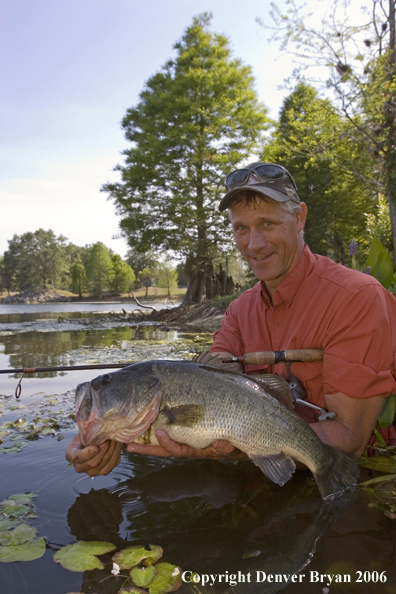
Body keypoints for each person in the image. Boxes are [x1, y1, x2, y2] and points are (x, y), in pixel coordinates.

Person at [66, 161, 396, 476]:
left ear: (299, 217)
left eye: (268, 223)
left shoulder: (356, 297)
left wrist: (242, 446)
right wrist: (96, 434)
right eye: (241, 228)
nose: (254, 244)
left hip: (354, 472)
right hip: (264, 472)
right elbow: (210, 379)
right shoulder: (240, 310)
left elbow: (349, 439)